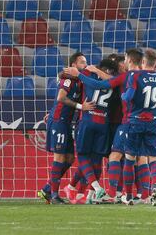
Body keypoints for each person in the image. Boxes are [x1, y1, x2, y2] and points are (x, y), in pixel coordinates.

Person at [65, 49, 144, 203]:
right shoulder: (123, 79)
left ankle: (102, 190)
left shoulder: (115, 78)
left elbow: (81, 80)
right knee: (104, 158)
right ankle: (92, 193)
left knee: (89, 157)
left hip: (100, 122)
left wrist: (80, 72)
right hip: (106, 123)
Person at [39, 52, 95, 204]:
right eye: (82, 62)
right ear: (73, 65)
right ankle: (54, 195)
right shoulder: (68, 79)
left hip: (64, 121)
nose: (85, 65)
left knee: (69, 158)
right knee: (59, 157)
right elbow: (61, 97)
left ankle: (47, 189)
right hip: (59, 121)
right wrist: (80, 106)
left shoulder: (79, 80)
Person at [122, 49, 156, 206]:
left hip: (136, 121)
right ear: (155, 62)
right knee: (154, 158)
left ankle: (128, 196)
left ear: (143, 62)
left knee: (130, 158)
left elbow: (128, 97)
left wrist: (122, 96)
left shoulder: (135, 75)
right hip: (154, 122)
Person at [63, 60, 115, 204]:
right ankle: (86, 195)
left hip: (88, 122)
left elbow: (65, 75)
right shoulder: (113, 81)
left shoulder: (87, 73)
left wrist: (80, 71)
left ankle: (96, 189)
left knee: (83, 157)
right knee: (96, 160)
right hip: (103, 124)